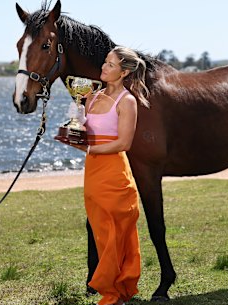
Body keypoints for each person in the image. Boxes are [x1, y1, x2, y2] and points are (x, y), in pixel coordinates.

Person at [72, 46, 149, 305]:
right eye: (105, 62)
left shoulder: (127, 101)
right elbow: (83, 133)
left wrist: (91, 148)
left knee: (118, 230)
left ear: (124, 72)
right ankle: (110, 287)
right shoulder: (91, 96)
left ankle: (119, 288)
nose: (104, 67)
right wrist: (73, 130)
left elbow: (123, 143)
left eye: (111, 64)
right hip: (92, 173)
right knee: (102, 232)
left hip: (114, 172)